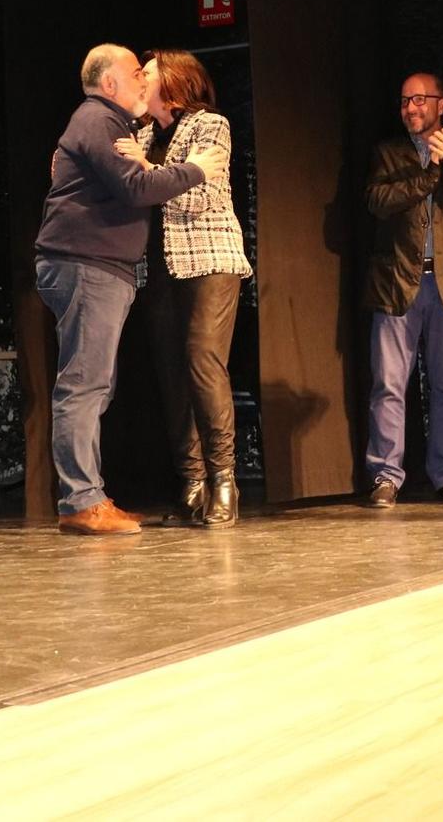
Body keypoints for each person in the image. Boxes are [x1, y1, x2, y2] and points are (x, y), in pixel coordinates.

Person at [34, 43, 229, 537]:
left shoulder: (115, 126)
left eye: (149, 73)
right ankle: (82, 501)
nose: (143, 80)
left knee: (95, 384)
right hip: (87, 264)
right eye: (136, 73)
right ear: (110, 84)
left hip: (105, 267)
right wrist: (195, 169)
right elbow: (138, 190)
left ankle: (89, 496)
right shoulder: (99, 121)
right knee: (83, 385)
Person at [113, 49, 252, 528]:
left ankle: (224, 481)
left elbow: (200, 195)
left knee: (202, 361)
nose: (139, 79)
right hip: (158, 269)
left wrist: (146, 169)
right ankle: (190, 482)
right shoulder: (142, 134)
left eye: (145, 73)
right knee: (171, 374)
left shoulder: (210, 125)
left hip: (210, 260)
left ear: (171, 80)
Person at [361, 71, 443, 508]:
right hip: (398, 282)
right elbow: (377, 202)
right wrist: (429, 176)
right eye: (404, 101)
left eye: (420, 100)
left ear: (442, 104)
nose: (411, 108)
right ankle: (386, 475)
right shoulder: (388, 153)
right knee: (389, 384)